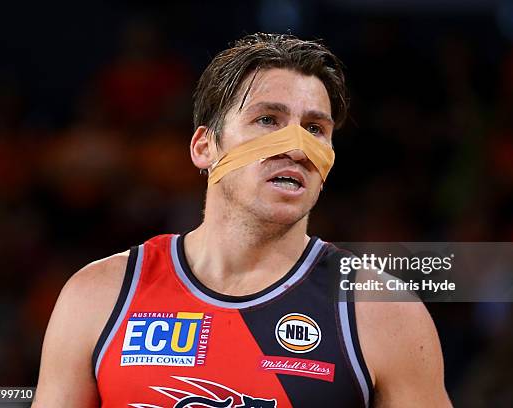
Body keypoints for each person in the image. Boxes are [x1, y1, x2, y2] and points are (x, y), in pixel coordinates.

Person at [33, 33, 451, 407]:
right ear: (204, 147)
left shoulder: (382, 312)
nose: (297, 147)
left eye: (315, 128)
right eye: (267, 120)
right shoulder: (98, 295)